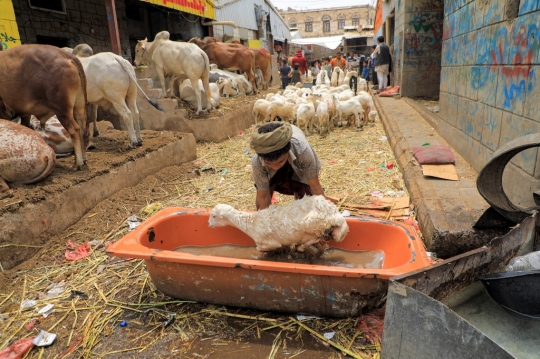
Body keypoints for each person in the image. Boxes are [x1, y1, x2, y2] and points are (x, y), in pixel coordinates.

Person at [250, 122, 323, 210]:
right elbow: (263, 197)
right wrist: (263, 220)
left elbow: (315, 187)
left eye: (280, 162)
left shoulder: (303, 151)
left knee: (307, 202)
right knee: (262, 204)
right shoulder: (257, 161)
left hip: (297, 168)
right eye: (268, 163)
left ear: (288, 150)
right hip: (271, 176)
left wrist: (326, 213)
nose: (275, 167)